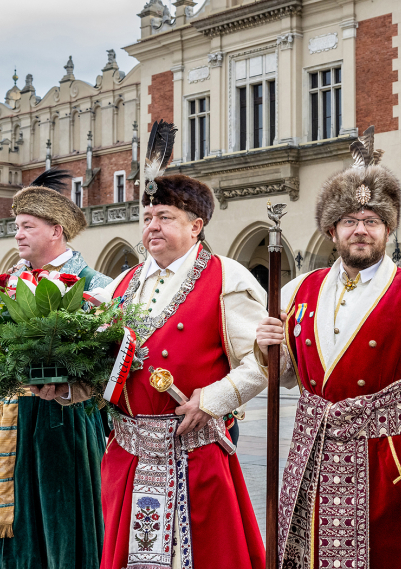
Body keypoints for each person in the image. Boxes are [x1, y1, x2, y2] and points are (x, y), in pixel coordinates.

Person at [256, 127, 401, 569]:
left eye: (372, 222)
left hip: (387, 463)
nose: (361, 231)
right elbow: (291, 376)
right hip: (312, 454)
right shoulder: (297, 291)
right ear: (332, 231)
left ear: (388, 230)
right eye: (349, 221)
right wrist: (267, 346)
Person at [97, 124, 267, 569]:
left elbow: (262, 361)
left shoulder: (229, 278)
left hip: (194, 452)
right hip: (129, 453)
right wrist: (73, 387)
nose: (152, 226)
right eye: (148, 217)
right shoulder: (122, 283)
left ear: (196, 226)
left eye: (165, 217)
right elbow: (103, 361)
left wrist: (214, 399)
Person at [0, 169, 112, 569]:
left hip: (65, 423)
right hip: (11, 419)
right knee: (13, 523)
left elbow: (109, 360)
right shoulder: (9, 283)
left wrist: (68, 383)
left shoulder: (95, 284)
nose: (18, 235)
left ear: (56, 231)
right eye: (16, 227)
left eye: (27, 226)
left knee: (61, 525)